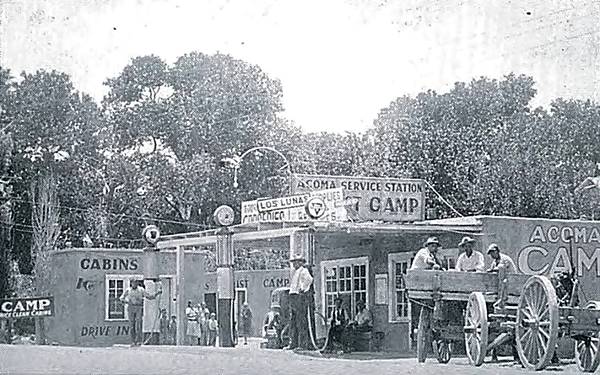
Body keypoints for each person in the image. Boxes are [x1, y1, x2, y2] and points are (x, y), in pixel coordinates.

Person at [284, 253, 313, 351]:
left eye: (296, 262)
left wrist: (303, 289)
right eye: (293, 262)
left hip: (299, 297)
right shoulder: (296, 272)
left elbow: (309, 280)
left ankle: (302, 344)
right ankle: (293, 343)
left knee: (301, 322)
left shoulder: (303, 271)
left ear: (300, 262)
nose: (294, 264)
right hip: (293, 297)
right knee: (293, 321)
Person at [119, 279, 162, 346]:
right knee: (131, 325)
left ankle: (138, 341)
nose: (134, 284)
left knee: (139, 324)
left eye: (136, 283)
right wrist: (126, 301)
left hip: (139, 307)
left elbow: (149, 296)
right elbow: (121, 298)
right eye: (133, 283)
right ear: (131, 283)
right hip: (131, 308)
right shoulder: (128, 290)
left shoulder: (141, 290)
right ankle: (133, 341)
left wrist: (157, 293)